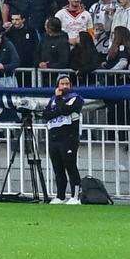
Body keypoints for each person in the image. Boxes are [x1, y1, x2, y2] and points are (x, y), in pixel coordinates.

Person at [43, 73, 84, 203]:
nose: (65, 86)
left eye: (67, 84)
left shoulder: (76, 98)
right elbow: (46, 114)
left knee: (70, 166)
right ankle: (60, 196)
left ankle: (75, 196)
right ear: (57, 85)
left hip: (69, 138)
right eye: (62, 84)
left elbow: (66, 110)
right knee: (58, 168)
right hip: (54, 138)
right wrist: (58, 107)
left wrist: (59, 102)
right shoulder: (52, 99)